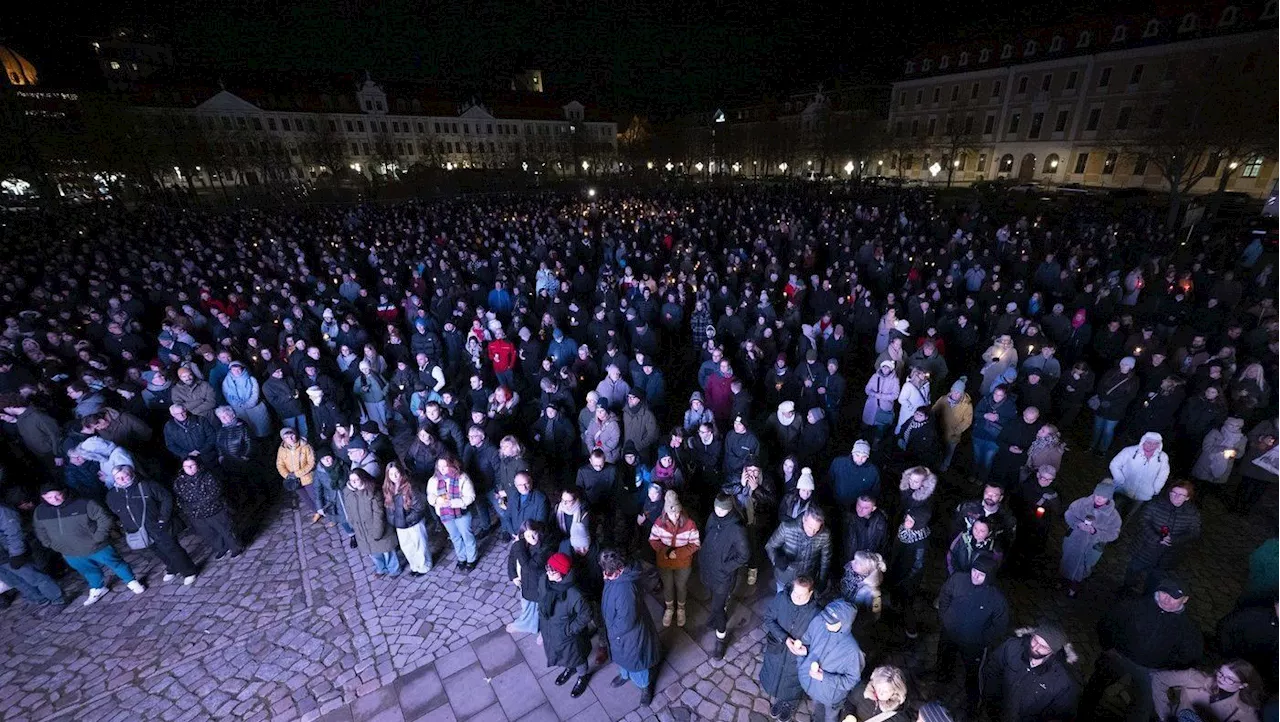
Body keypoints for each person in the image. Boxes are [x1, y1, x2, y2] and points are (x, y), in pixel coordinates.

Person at [1081, 578, 1204, 722]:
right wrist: (1108, 647)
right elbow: (1108, 623)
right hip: (1118, 656)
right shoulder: (1134, 605)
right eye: (1164, 592)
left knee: (1142, 709)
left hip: (1151, 671)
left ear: (1185, 599)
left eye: (1174, 597)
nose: (1166, 599)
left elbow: (1190, 656)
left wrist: (1167, 670)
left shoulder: (1189, 628)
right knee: (1094, 687)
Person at [34, 482, 145, 606]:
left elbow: (104, 518)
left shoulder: (83, 503)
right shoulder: (40, 511)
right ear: (43, 498)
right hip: (69, 551)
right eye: (49, 498)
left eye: (57, 495)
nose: (54, 500)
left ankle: (131, 581)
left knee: (116, 563)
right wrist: (48, 543)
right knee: (87, 570)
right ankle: (98, 588)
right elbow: (40, 529)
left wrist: (99, 536)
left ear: (63, 492)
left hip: (96, 546)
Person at [936, 554, 1009, 713]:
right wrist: (945, 616)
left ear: (989, 576)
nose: (975, 576)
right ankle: (942, 679)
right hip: (949, 634)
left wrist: (981, 640)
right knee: (944, 658)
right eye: (974, 571)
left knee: (973, 674)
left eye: (981, 574)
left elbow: (999, 626)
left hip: (973, 645)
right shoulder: (958, 580)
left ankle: (973, 704)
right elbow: (945, 594)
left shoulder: (996, 599)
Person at [107, 465, 200, 586]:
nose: (122, 480)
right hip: (138, 530)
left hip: (156, 525)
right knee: (157, 550)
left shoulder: (147, 485)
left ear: (131, 474)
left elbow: (166, 498)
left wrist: (163, 518)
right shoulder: (113, 494)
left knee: (172, 549)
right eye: (118, 478)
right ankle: (172, 568)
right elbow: (114, 509)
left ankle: (189, 571)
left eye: (125, 476)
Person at [982, 623, 1082, 722]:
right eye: (1035, 640)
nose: (1035, 648)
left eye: (1043, 647)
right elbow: (993, 668)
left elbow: (1060, 715)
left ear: (1053, 651)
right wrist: (991, 700)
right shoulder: (1011, 647)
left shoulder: (1062, 682)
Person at [600, 549, 661, 705]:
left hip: (630, 635)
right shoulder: (616, 579)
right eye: (605, 571)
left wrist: (611, 633)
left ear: (620, 569)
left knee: (637, 662)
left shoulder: (625, 590)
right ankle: (625, 674)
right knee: (624, 658)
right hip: (620, 634)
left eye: (609, 573)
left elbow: (626, 622)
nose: (605, 576)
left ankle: (645, 686)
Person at [760, 575, 820, 721]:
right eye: (795, 593)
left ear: (811, 593)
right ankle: (780, 697)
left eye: (802, 595)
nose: (797, 598)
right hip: (778, 648)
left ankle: (790, 702)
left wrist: (805, 650)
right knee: (776, 674)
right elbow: (769, 618)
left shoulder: (816, 613)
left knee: (793, 681)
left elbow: (819, 641)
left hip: (797, 658)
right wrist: (785, 638)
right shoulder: (782, 599)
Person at [1123, 481, 1201, 595]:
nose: (1176, 497)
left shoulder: (1192, 513)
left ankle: (1147, 597)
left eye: (1181, 495)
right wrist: (1157, 537)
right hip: (1145, 548)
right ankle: (1125, 592)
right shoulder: (1155, 504)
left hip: (1167, 555)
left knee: (1155, 580)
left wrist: (1174, 540)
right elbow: (1143, 520)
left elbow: (1194, 532)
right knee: (1133, 571)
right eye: (1174, 493)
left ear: (1187, 498)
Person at [797, 599, 865, 722]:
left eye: (832, 622)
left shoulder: (853, 651)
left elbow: (851, 680)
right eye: (826, 618)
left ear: (845, 623)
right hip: (811, 684)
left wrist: (824, 677)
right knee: (817, 706)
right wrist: (801, 658)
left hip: (831, 697)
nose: (827, 623)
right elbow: (806, 640)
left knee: (831, 716)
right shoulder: (819, 622)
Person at [539, 552, 594, 698]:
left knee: (577, 657)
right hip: (552, 630)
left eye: (553, 570)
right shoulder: (545, 581)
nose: (548, 572)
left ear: (563, 572)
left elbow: (586, 614)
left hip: (568, 636)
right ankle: (570, 668)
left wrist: (570, 630)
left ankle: (583, 676)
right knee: (564, 655)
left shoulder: (574, 594)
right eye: (548, 567)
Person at [700, 492, 749, 657]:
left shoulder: (736, 529)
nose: (718, 512)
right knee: (713, 599)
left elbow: (744, 555)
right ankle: (714, 617)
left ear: (729, 510)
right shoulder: (713, 517)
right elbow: (708, 534)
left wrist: (726, 566)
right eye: (716, 508)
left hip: (723, 575)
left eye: (722, 510)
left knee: (718, 607)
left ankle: (721, 638)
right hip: (710, 569)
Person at [172, 455, 242, 560]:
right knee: (209, 533)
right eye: (186, 466)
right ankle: (221, 548)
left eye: (192, 465)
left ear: (197, 465)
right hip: (196, 514)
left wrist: (200, 504)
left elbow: (215, 491)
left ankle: (235, 547)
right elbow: (180, 499)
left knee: (225, 529)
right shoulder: (179, 482)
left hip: (214, 510)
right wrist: (188, 509)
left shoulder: (207, 476)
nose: (190, 468)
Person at [1060, 481, 1122, 597]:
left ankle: (1074, 586)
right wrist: (1078, 524)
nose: (1099, 499)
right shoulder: (1082, 503)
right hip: (1074, 540)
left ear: (1108, 498)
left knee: (1083, 566)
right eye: (1098, 495)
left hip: (1093, 546)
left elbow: (1114, 533)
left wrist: (1096, 532)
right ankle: (1063, 581)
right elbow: (1069, 514)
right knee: (1067, 560)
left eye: (1103, 497)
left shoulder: (1113, 515)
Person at [649, 489, 701, 627]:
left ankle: (681, 609)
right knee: (668, 586)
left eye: (677, 512)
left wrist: (677, 553)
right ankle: (670, 608)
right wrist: (666, 551)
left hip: (683, 563)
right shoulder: (659, 523)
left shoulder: (690, 524)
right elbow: (653, 540)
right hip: (664, 562)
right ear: (666, 512)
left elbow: (695, 544)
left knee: (681, 586)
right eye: (672, 513)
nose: (675, 516)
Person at [1151, 660, 1264, 722]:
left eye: (1229, 679)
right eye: (1221, 672)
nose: (1221, 679)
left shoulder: (1245, 710)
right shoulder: (1193, 677)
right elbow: (1158, 679)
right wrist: (1164, 715)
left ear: (1242, 685)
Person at [0, 501, 65, 607]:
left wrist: (17, 553)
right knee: (15, 582)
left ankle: (58, 599)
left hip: (10, 553)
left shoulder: (2, 510)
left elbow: (13, 531)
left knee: (34, 577)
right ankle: (40, 599)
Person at [343, 469, 401, 577]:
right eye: (351, 480)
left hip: (376, 528)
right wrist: (352, 524)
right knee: (373, 553)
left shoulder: (373, 492)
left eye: (356, 479)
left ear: (363, 479)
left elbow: (378, 514)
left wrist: (377, 531)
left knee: (386, 551)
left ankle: (394, 569)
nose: (354, 482)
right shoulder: (348, 493)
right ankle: (381, 568)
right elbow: (348, 510)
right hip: (362, 530)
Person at [426, 456, 478, 571]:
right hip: (445, 514)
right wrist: (437, 501)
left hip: (461, 512)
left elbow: (470, 496)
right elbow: (430, 495)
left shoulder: (462, 477)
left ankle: (471, 559)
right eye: (439, 466)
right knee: (455, 537)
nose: (442, 469)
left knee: (467, 535)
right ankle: (461, 557)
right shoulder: (434, 480)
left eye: (445, 466)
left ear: (452, 465)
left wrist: (453, 503)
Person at [766, 506, 833, 594]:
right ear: (804, 519)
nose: (812, 532)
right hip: (786, 576)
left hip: (807, 579)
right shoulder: (787, 527)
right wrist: (775, 559)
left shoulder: (825, 535)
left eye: (816, 529)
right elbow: (770, 545)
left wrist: (822, 580)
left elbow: (825, 559)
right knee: (782, 600)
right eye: (810, 527)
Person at [887, 507, 930, 639]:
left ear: (918, 524)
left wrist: (906, 580)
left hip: (908, 578)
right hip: (897, 569)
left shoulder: (920, 542)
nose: (906, 522)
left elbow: (918, 565)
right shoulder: (903, 531)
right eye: (906, 518)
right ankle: (893, 609)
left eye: (910, 521)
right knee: (894, 593)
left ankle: (910, 628)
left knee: (907, 602)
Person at [507, 520, 556, 636]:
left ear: (539, 532)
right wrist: (513, 575)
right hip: (526, 582)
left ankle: (544, 633)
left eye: (534, 534)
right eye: (528, 535)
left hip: (539, 583)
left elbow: (529, 566)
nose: (532, 538)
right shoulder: (521, 544)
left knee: (542, 610)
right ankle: (527, 625)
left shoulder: (546, 547)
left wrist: (518, 545)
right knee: (527, 606)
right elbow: (512, 559)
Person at [383, 462, 432, 576]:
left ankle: (424, 566)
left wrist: (407, 520)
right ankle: (415, 566)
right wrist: (395, 522)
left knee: (420, 545)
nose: (394, 477)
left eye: (396, 473)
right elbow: (389, 508)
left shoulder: (410, 486)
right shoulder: (389, 488)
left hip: (412, 522)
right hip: (400, 524)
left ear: (401, 473)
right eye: (391, 474)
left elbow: (419, 507)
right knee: (407, 546)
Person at [1109, 431, 1171, 521]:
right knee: (1112, 510)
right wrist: (1120, 479)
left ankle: (1118, 532)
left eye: (1155, 444)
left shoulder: (1163, 457)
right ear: (1143, 441)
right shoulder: (1129, 451)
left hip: (1143, 493)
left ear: (1159, 445)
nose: (1151, 446)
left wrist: (1155, 488)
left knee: (1127, 515)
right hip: (1122, 489)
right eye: (1149, 442)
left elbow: (1163, 474)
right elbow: (1114, 464)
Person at [276, 427, 320, 521]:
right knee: (305, 498)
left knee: (315, 496)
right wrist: (287, 475)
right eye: (287, 437)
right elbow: (280, 464)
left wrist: (297, 474)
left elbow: (311, 463)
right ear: (283, 439)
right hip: (294, 481)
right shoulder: (282, 450)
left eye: (292, 436)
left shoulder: (305, 446)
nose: (290, 439)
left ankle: (327, 514)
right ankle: (316, 512)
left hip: (307, 478)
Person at [932, 377, 973, 472]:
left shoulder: (966, 405)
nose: (956, 394)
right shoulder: (943, 399)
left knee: (948, 451)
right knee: (936, 448)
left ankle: (944, 468)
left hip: (952, 435)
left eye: (958, 393)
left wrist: (956, 430)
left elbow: (967, 421)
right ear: (951, 390)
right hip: (939, 430)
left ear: (962, 394)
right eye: (954, 391)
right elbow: (933, 411)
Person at [844, 665, 911, 722]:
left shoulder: (899, 717)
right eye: (878, 688)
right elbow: (850, 702)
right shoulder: (862, 689)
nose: (880, 693)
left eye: (885, 691)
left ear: (895, 693)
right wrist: (849, 715)